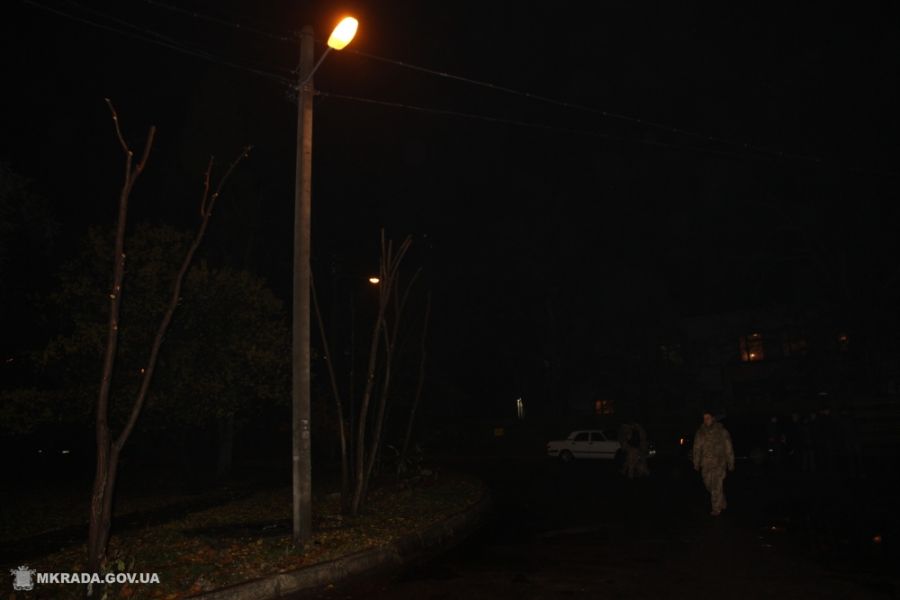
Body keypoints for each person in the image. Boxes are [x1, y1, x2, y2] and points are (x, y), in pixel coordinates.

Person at [692, 410, 735, 516]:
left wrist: (731, 462)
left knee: (716, 485)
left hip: (719, 463)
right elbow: (697, 449)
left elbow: (728, 447)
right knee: (708, 485)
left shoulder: (722, 431)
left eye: (708, 418)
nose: (705, 420)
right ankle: (722, 500)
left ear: (713, 418)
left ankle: (716, 509)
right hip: (706, 464)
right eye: (704, 418)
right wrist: (696, 462)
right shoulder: (700, 432)